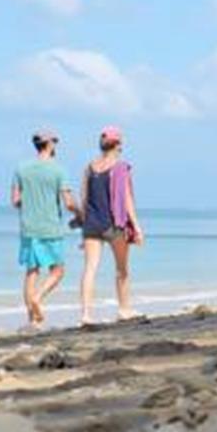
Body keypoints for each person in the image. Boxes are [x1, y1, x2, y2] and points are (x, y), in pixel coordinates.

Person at [11, 128, 78, 329]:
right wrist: (80, 213)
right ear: (49, 144)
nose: (55, 145)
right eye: (54, 142)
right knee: (58, 270)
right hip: (50, 227)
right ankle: (38, 299)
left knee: (32, 271)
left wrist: (31, 200)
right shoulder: (58, 170)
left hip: (28, 227)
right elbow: (68, 203)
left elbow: (15, 201)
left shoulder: (21, 169)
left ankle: (32, 320)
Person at [79, 126, 144, 325]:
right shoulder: (121, 167)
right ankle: (124, 309)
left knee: (90, 270)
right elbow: (126, 200)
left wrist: (84, 225)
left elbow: (84, 199)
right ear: (117, 145)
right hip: (114, 224)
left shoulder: (89, 167)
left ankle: (86, 315)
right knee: (122, 270)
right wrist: (137, 227)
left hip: (92, 225)